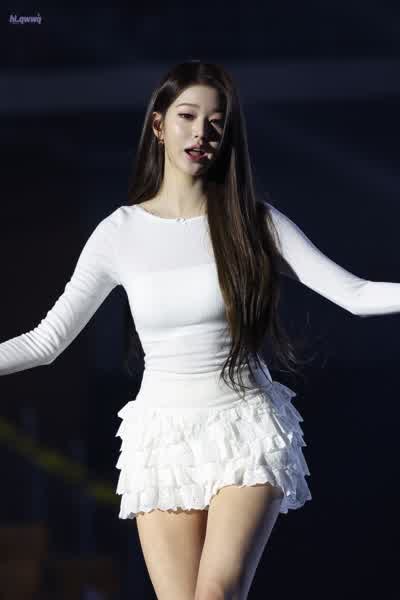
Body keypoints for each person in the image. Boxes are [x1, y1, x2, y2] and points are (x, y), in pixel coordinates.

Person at [1, 60, 400, 600]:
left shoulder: (254, 222)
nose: (201, 133)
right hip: (162, 436)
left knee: (214, 594)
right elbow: (46, 342)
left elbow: (354, 294)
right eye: (187, 116)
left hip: (245, 425)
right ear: (159, 125)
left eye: (216, 123)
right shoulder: (119, 233)